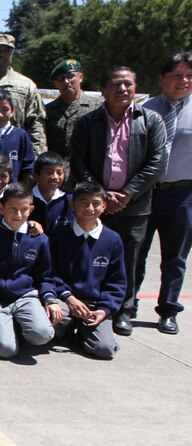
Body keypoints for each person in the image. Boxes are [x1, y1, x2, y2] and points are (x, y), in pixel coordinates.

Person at [69, 65, 168, 336]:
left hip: (134, 204)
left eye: (128, 84)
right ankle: (89, 303)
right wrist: (100, 194)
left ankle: (124, 310)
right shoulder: (87, 122)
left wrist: (129, 192)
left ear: (135, 88)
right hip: (95, 204)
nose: (122, 89)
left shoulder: (150, 121)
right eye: (115, 84)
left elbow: (157, 163)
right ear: (103, 90)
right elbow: (78, 161)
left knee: (131, 257)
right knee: (88, 253)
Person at [0, 182, 58, 358]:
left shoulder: (39, 240)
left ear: (31, 209)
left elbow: (45, 275)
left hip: (24, 296)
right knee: (4, 350)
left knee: (44, 334)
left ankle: (14, 326)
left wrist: (50, 299)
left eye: (24, 209)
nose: (18, 215)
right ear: (1, 208)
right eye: (13, 209)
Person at [140, 52, 192, 335]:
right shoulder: (146, 109)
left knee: (176, 257)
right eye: (176, 75)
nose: (183, 81)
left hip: (183, 193)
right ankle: (127, 306)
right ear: (162, 79)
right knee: (136, 252)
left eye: (188, 76)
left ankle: (168, 310)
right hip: (147, 192)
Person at [49, 181, 127, 359]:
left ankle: (87, 331)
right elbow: (50, 272)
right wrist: (68, 297)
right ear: (72, 205)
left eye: (96, 203)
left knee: (104, 349)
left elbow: (117, 281)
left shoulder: (112, 240)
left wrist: (104, 310)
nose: (90, 208)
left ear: (104, 206)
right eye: (83, 203)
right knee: (46, 327)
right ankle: (66, 331)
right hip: (65, 299)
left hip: (94, 305)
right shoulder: (60, 234)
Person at [45, 59, 100, 159]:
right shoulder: (48, 111)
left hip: (88, 170)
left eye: (70, 77)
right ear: (55, 83)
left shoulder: (97, 107)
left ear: (80, 78)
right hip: (58, 171)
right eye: (61, 78)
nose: (66, 82)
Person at [30, 152, 72, 232]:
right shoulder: (26, 198)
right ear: (36, 176)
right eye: (49, 172)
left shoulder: (69, 200)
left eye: (59, 173)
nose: (55, 177)